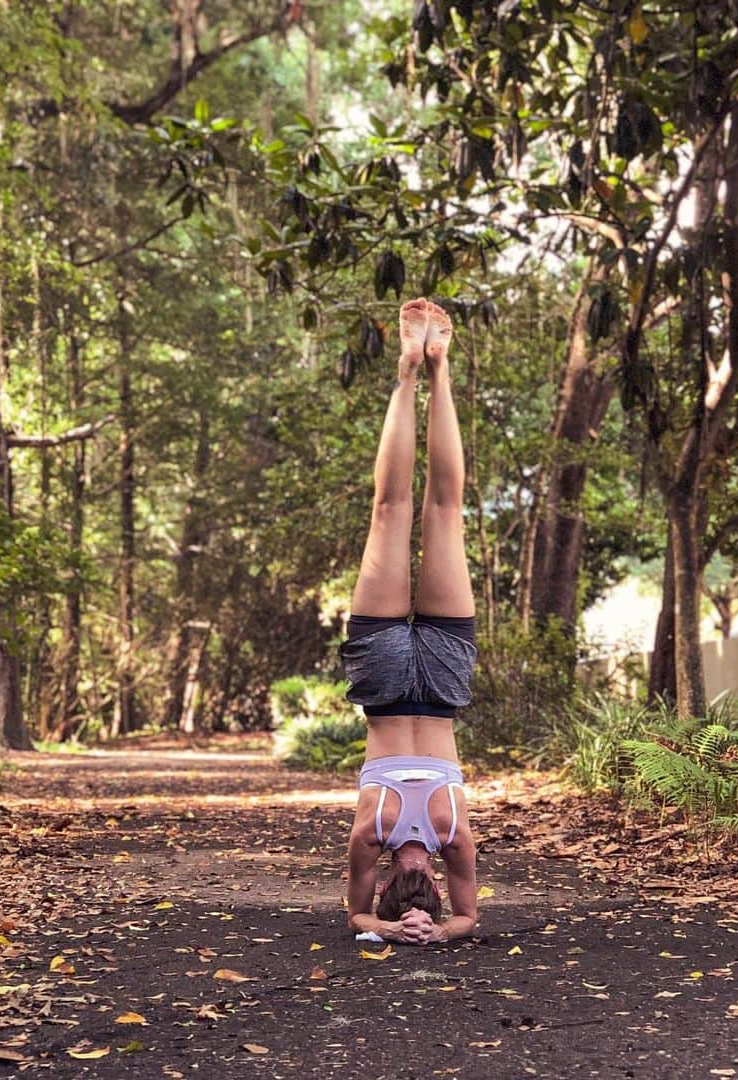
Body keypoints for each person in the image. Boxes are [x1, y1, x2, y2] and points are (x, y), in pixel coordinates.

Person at [340, 297, 479, 946]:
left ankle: (408, 371)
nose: (420, 900)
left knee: (392, 512)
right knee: (444, 512)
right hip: (441, 687)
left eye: (406, 906)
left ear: (393, 892)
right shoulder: (453, 838)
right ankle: (439, 368)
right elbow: (470, 917)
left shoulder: (372, 835)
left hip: (389, 683)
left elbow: (354, 917)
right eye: (427, 904)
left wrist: (387, 932)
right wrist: (444, 932)